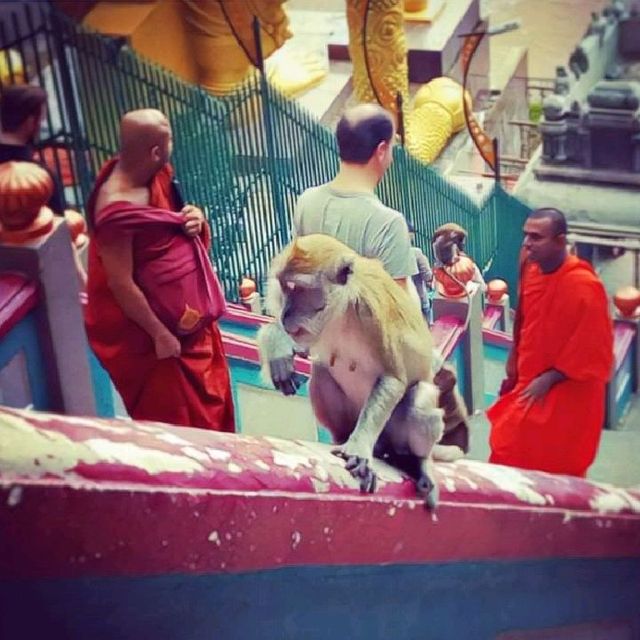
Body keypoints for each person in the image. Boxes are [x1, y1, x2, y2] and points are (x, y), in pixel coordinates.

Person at [84, 109, 234, 432]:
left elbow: (177, 224)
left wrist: (196, 218)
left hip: (191, 319)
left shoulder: (156, 173)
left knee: (214, 414)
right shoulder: (116, 208)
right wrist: (159, 334)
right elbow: (120, 284)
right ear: (155, 151)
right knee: (181, 427)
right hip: (160, 343)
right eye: (170, 143)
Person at [487, 207, 613, 477]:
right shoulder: (531, 268)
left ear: (560, 241)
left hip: (567, 386)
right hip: (529, 378)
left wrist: (551, 377)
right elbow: (524, 319)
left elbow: (594, 347)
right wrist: (514, 366)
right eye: (525, 235)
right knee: (507, 449)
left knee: (554, 460)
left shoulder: (583, 284)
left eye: (536, 237)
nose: (526, 243)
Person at [292, 103, 417, 291]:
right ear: (381, 150)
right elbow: (397, 312)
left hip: (315, 318)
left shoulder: (306, 201)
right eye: (393, 145)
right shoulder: (388, 224)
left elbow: (299, 271)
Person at [0, 84, 66, 215]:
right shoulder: (41, 175)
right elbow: (58, 228)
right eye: (41, 119)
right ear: (30, 121)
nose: (41, 125)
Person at [407, 222, 433, 318]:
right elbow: (428, 277)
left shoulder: (391, 255)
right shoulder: (416, 253)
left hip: (404, 304)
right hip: (420, 300)